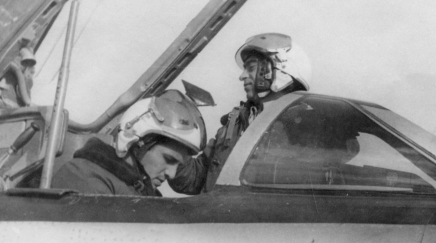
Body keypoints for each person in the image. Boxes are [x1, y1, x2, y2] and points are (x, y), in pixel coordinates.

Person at [169, 32, 312, 194]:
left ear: (279, 70)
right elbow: (195, 178)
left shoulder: (305, 127)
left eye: (251, 68)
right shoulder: (236, 123)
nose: (242, 76)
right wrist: (172, 141)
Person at [52, 90, 206, 196]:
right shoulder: (84, 178)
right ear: (138, 141)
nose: (171, 174)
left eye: (178, 166)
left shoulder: (137, 187)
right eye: (169, 159)